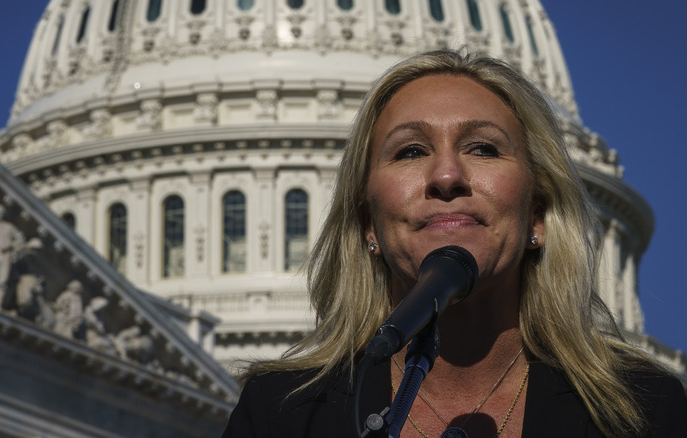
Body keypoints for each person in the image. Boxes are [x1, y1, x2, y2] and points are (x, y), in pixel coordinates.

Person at [221, 50, 687, 437]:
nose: (446, 176)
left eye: (483, 148)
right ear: (368, 225)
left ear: (538, 216)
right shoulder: (282, 417)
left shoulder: (643, 414)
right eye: (410, 151)